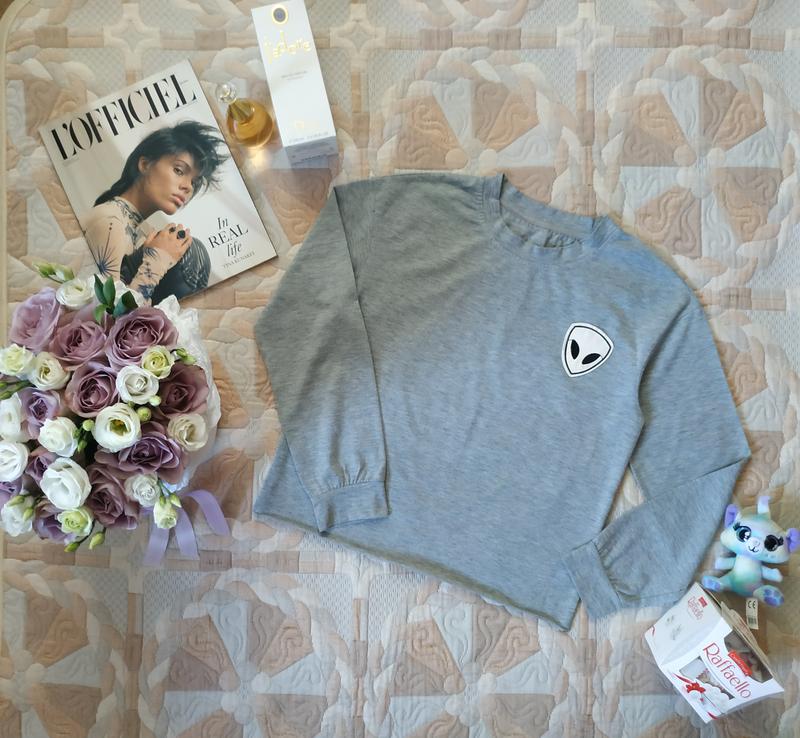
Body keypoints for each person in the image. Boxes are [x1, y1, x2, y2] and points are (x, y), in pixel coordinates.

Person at [83, 121, 228, 302]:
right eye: (179, 170)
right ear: (145, 164)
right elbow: (108, 316)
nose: (188, 187)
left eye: (194, 182)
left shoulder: (142, 231)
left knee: (193, 253)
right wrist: (157, 260)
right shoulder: (110, 222)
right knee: (192, 252)